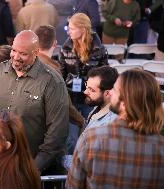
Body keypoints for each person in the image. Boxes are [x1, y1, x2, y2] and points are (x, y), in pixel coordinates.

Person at [0, 30, 69, 174]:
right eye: (14, 50)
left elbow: (56, 134)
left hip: (31, 168)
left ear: (36, 52)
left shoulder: (52, 82)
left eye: (23, 54)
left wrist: (32, 170)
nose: (16, 57)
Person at [66, 69, 164, 188]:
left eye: (115, 90)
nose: (110, 93)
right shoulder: (160, 147)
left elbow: (73, 185)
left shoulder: (93, 138)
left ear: (124, 103)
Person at [60, 13, 108, 154]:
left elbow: (106, 75)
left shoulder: (98, 48)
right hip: (71, 98)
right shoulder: (66, 47)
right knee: (71, 140)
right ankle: (70, 171)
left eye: (72, 28)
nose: (69, 31)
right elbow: (61, 75)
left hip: (91, 99)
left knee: (91, 138)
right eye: (68, 28)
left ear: (83, 29)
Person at [34, 25, 84, 128]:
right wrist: (82, 121)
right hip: (49, 126)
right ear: (55, 44)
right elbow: (66, 105)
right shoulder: (53, 71)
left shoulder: (26, 63)